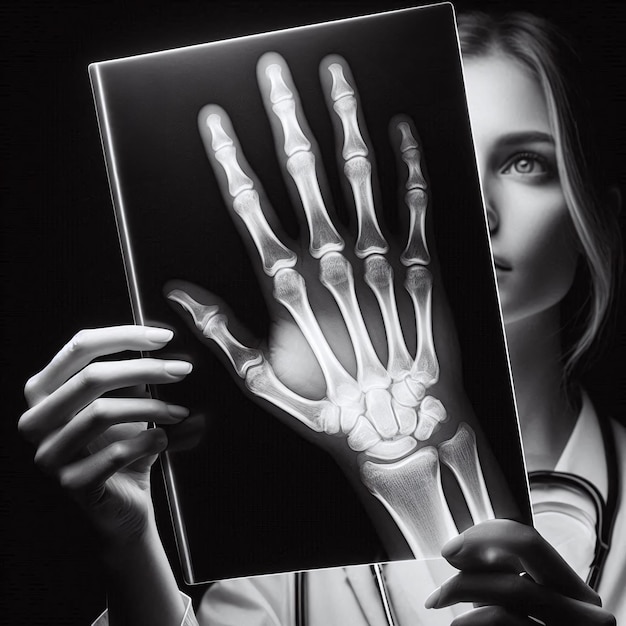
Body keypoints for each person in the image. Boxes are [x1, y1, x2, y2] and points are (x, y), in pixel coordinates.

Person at [18, 10, 624, 626]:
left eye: (525, 163)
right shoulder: (282, 544)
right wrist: (130, 545)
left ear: (594, 218)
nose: (482, 207)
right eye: (459, 159)